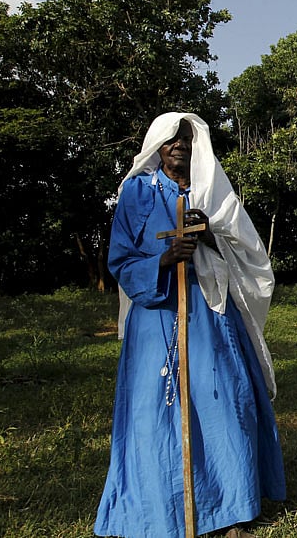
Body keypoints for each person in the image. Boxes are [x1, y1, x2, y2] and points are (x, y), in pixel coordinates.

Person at [95, 112, 285, 537]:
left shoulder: (213, 193)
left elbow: (247, 252)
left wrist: (209, 233)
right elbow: (120, 261)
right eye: (171, 139)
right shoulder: (136, 193)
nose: (179, 144)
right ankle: (158, 510)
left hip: (209, 314)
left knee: (223, 403)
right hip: (155, 316)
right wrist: (164, 259)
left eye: (186, 138)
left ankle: (232, 509)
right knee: (154, 413)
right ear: (157, 146)